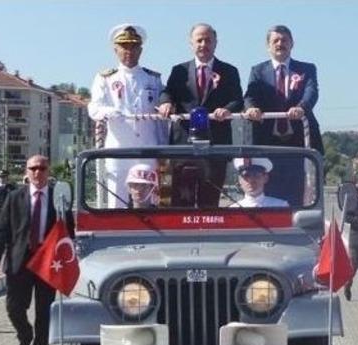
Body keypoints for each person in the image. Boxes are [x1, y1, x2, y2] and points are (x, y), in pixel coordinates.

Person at [0, 155, 73, 345]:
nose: (37, 172)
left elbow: (68, 232)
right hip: (19, 263)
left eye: (42, 168)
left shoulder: (57, 199)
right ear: (27, 171)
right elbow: (1, 232)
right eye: (33, 168)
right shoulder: (15, 197)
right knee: (14, 307)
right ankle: (25, 336)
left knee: (45, 312)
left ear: (48, 171)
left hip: (48, 264)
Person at [158, 23, 244, 208]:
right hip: (183, 147)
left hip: (215, 146)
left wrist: (228, 109)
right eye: (199, 40)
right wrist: (166, 102)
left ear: (215, 43)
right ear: (191, 43)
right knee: (181, 202)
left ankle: (208, 236)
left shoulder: (229, 71)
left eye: (208, 40)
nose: (203, 44)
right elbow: (167, 93)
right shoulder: (178, 70)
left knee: (210, 203)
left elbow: (238, 100)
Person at [87, 24, 167, 208]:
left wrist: (163, 148)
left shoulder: (153, 78)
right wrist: (110, 112)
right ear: (115, 49)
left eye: (133, 47)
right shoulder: (105, 78)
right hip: (119, 151)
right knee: (117, 205)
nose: (129, 51)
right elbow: (94, 108)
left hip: (148, 150)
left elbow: (161, 119)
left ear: (140, 49)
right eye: (124, 47)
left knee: (151, 204)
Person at [244, 25, 323, 153]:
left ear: (292, 44)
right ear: (268, 46)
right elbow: (250, 95)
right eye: (275, 41)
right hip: (267, 140)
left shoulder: (307, 69)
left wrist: (301, 107)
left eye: (284, 40)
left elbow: (311, 92)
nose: (280, 44)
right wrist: (251, 108)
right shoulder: (257, 71)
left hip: (301, 139)